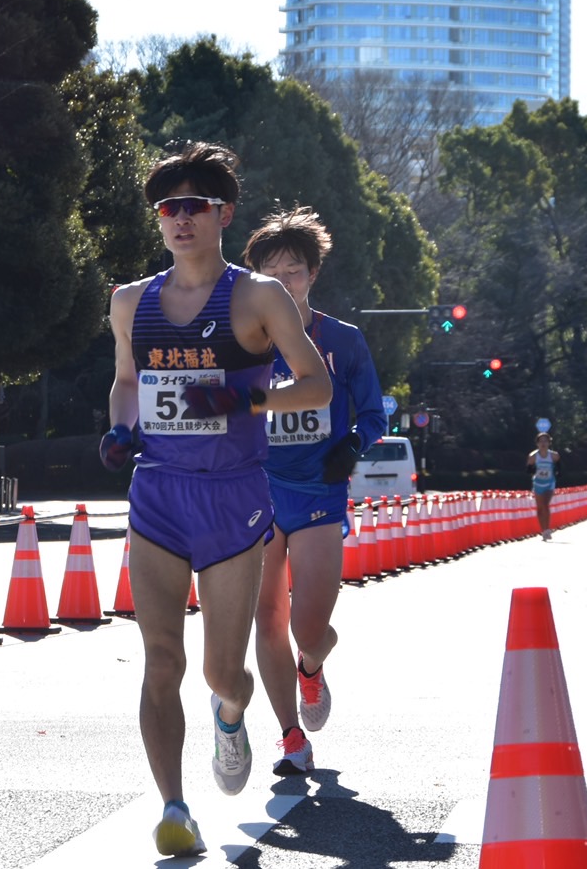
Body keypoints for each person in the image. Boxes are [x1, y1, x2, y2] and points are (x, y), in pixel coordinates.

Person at [102, 142, 332, 857]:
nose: (179, 219)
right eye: (166, 208)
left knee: (218, 672)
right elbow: (127, 382)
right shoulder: (130, 301)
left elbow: (316, 385)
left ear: (223, 214)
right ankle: (174, 807)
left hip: (234, 499)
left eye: (194, 206)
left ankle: (230, 713)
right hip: (158, 496)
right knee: (160, 658)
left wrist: (243, 398)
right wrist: (119, 429)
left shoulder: (258, 296)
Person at [241, 206, 385, 777]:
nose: (283, 282)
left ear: (313, 274)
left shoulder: (343, 341)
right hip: (257, 489)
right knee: (267, 618)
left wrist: (351, 445)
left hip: (318, 493)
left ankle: (312, 665)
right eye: (271, 273)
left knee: (307, 629)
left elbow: (373, 414)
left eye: (294, 271)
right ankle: (290, 737)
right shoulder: (240, 342)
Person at [525, 432, 561, 541]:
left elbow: (560, 468)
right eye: (541, 441)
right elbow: (528, 470)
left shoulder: (554, 456)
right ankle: (543, 530)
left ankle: (547, 529)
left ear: (549, 443)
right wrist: (534, 469)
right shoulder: (533, 456)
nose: (543, 443)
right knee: (540, 508)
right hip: (538, 484)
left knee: (546, 504)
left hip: (550, 483)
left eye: (545, 441)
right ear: (537, 443)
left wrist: (557, 472)